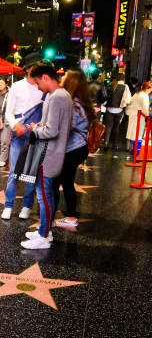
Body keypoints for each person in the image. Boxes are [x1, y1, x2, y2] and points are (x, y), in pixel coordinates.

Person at [20, 63, 74, 249]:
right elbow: (61, 125)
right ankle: (45, 230)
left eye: (37, 82)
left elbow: (51, 130)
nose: (37, 87)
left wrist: (36, 129)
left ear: (45, 77)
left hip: (47, 155)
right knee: (46, 194)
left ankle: (44, 235)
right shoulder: (63, 95)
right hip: (51, 153)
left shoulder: (57, 97)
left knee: (43, 195)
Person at [1, 51, 44, 220]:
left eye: (38, 66)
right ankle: (8, 205)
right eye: (33, 66)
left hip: (36, 134)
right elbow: (8, 113)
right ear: (27, 69)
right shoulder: (17, 87)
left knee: (31, 173)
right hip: (19, 134)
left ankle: (27, 205)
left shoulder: (44, 87)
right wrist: (15, 125)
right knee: (14, 172)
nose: (35, 69)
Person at [53, 69, 96, 228]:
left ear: (70, 83)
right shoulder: (82, 103)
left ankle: (61, 217)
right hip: (79, 148)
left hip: (71, 149)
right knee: (67, 182)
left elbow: (63, 129)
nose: (61, 80)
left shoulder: (71, 104)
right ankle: (69, 215)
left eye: (64, 78)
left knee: (57, 183)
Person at [103, 73, 131, 150]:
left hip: (109, 110)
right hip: (119, 110)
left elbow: (105, 98)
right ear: (123, 79)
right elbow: (128, 100)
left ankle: (105, 143)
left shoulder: (110, 86)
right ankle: (115, 145)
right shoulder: (125, 87)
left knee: (108, 127)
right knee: (116, 128)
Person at [125, 81, 152, 151]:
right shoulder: (145, 96)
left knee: (131, 131)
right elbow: (145, 108)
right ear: (148, 89)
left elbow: (130, 102)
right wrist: (147, 116)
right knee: (138, 133)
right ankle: (135, 149)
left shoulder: (137, 93)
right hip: (139, 116)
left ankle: (129, 147)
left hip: (132, 114)